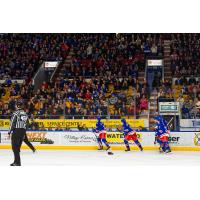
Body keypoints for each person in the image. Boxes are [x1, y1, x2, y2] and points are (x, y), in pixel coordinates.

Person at [8, 100, 29, 166]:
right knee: (17, 148)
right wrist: (24, 133)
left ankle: (17, 162)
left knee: (14, 147)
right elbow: (27, 124)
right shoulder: (25, 114)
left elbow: (12, 123)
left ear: (17, 106)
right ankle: (16, 161)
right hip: (22, 131)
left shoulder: (15, 113)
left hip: (16, 131)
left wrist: (9, 132)